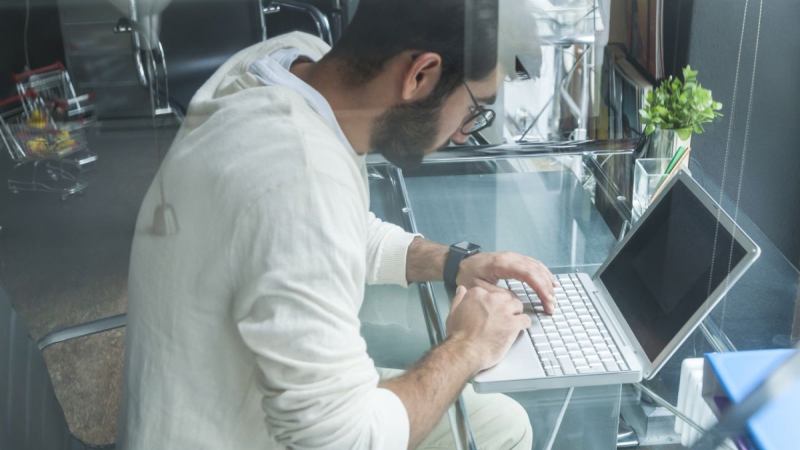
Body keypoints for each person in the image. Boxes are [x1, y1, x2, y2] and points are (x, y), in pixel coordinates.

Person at [120, 0, 557, 448]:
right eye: (473, 108)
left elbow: (335, 227)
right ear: (420, 75)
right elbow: (345, 440)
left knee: (502, 424)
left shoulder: (290, 64)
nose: (464, 133)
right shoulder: (299, 182)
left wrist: (452, 262)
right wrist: (468, 345)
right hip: (233, 432)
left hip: (217, 393)